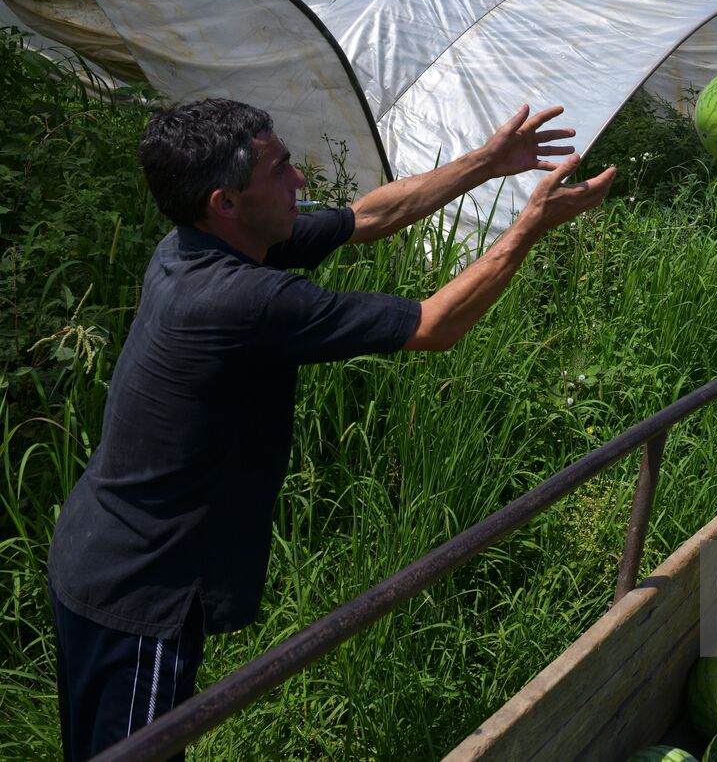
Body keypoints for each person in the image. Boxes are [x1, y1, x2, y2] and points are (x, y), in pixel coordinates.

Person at [45, 98, 615, 761]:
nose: (301, 182)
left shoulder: (190, 243)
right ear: (225, 200)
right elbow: (434, 325)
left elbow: (369, 216)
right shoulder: (239, 299)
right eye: (282, 169)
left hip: (97, 549)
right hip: (135, 588)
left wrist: (487, 162)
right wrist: (532, 225)